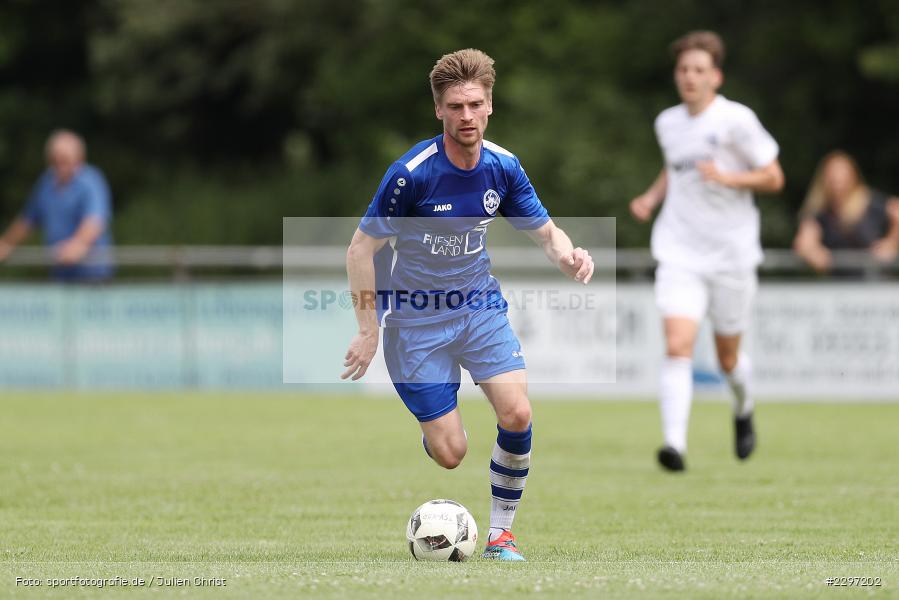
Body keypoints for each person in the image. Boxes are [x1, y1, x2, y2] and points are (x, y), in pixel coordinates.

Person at [341, 48, 594, 560]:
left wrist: (567, 256)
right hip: (415, 324)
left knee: (518, 413)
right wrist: (368, 330)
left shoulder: (503, 168)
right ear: (439, 110)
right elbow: (361, 248)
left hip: (479, 308)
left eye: (475, 105)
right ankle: (435, 434)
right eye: (455, 107)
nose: (467, 116)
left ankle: (502, 535)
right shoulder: (411, 176)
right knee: (451, 454)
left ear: (490, 105)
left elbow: (546, 233)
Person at [629, 31, 785, 472]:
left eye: (699, 70)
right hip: (679, 250)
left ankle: (743, 406)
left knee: (728, 358)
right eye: (683, 69)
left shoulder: (736, 120)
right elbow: (676, 167)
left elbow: (774, 178)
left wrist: (729, 178)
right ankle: (674, 444)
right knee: (677, 344)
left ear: (715, 76)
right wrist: (651, 196)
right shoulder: (667, 123)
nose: (690, 77)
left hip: (731, 255)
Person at [0, 130, 114, 281]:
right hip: (60, 273)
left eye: (65, 160)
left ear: (79, 158)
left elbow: (95, 221)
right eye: (55, 160)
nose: (59, 165)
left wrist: (77, 244)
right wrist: (6, 244)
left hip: (92, 275)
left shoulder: (91, 181)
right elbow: (27, 220)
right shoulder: (46, 182)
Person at [793, 150, 899, 274]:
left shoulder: (870, 202)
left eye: (841, 173)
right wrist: (811, 251)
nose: (837, 178)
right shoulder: (821, 213)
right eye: (832, 174)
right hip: (842, 287)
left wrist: (892, 243)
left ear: (853, 175)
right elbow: (804, 241)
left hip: (876, 283)